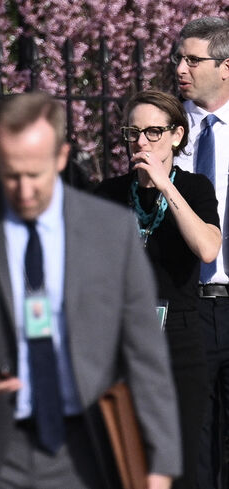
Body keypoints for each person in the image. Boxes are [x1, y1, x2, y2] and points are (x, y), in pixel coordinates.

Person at [0, 92, 181, 489]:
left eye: (36, 173)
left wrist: (160, 462)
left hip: (88, 448)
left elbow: (145, 353)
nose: (24, 189)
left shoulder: (110, 230)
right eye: (12, 174)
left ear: (62, 157)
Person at [94, 89, 219, 489]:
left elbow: (207, 248)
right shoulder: (110, 193)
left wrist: (166, 186)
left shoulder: (195, 189)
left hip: (179, 335)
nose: (141, 142)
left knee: (177, 465)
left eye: (153, 132)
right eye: (133, 133)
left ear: (176, 136)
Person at [171, 18, 229, 489]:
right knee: (193, 441)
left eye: (193, 59)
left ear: (226, 67)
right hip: (187, 305)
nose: (181, 68)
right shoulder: (166, 134)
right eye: (179, 58)